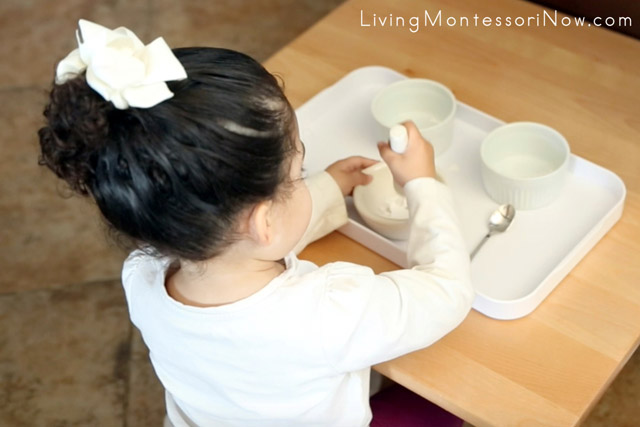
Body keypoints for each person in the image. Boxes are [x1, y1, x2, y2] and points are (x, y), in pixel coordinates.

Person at [38, 20, 473, 427]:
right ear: (263, 222)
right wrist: (422, 184)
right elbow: (448, 292)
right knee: (449, 405)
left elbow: (244, 235)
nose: (303, 179)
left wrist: (324, 187)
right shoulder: (328, 312)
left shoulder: (141, 275)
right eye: (297, 175)